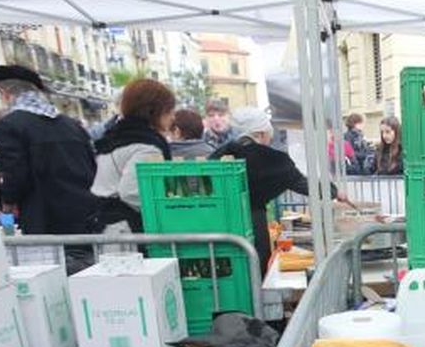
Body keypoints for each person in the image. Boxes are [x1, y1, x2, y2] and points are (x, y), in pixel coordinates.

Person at [209, 106, 349, 271]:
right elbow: (303, 184)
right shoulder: (271, 159)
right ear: (261, 133)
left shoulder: (219, 155)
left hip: (218, 225)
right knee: (256, 270)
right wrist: (334, 192)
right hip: (252, 223)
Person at [0, 64, 99, 237]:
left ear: (6, 93)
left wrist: (8, 202)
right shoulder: (71, 125)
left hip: (44, 217)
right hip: (85, 214)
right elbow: (91, 165)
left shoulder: (10, 125)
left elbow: (16, 173)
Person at [89, 78, 176, 233]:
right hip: (127, 229)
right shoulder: (146, 146)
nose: (173, 117)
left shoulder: (114, 137)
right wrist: (169, 214)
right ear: (155, 111)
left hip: (106, 222)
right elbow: (132, 192)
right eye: (169, 110)